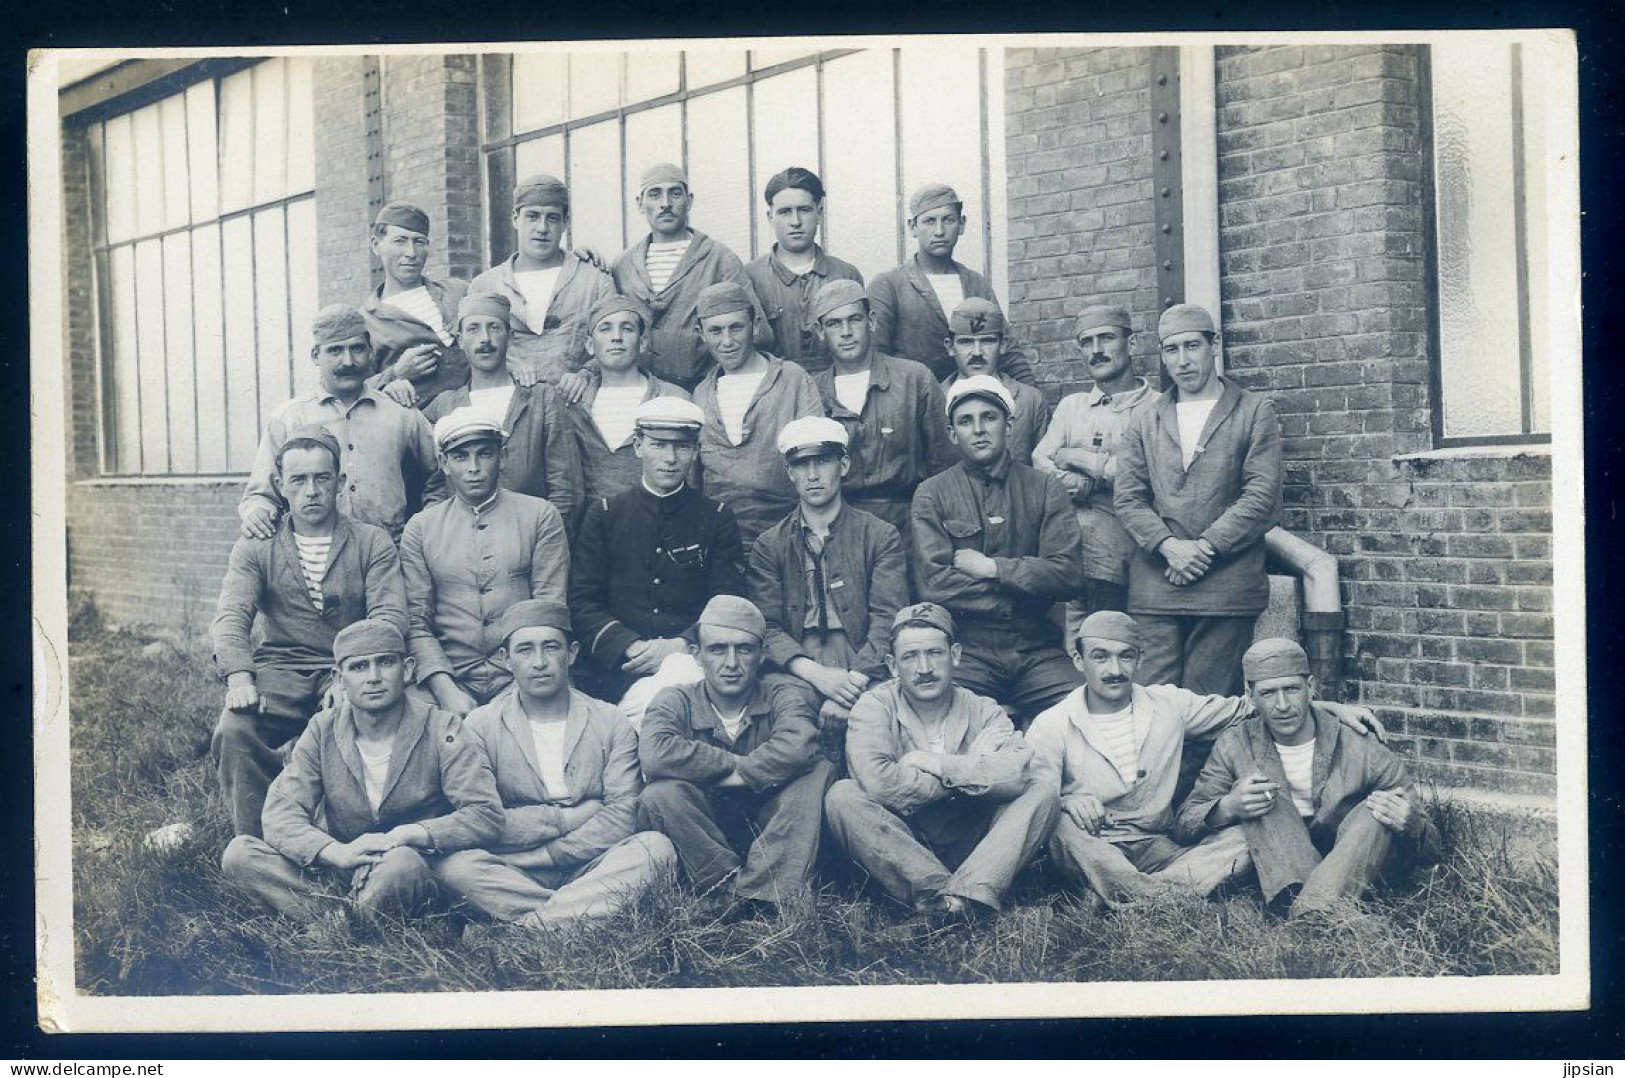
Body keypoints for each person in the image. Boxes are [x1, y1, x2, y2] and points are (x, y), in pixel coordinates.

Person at [1026, 612, 1383, 909]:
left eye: (1125, 656)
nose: (1114, 669)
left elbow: (1247, 708)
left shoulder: (1168, 705)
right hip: (1092, 841)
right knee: (1059, 826)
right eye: (1100, 656)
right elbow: (1033, 797)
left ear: (1140, 660)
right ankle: (1154, 895)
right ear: (1078, 661)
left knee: (1249, 834)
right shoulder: (1053, 723)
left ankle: (1129, 894)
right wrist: (1068, 800)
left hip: (1157, 845)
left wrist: (1327, 707)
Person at [219, 620, 503, 922]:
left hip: (411, 868)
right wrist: (336, 852)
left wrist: (411, 835)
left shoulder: (442, 727)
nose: (374, 677)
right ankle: (348, 919)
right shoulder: (322, 729)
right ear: (339, 679)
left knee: (401, 864)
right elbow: (280, 813)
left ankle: (334, 924)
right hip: (343, 865)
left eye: (386, 663)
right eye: (359, 667)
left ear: (407, 670)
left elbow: (485, 813)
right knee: (240, 854)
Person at [211, 426, 409, 837]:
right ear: (281, 485)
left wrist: (348, 673)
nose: (311, 491)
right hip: (282, 669)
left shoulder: (371, 541)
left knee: (359, 721)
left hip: (351, 667)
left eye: (321, 479)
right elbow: (232, 615)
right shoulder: (256, 547)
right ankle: (259, 842)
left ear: (339, 483)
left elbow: (388, 616)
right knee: (235, 728)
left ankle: (349, 837)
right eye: (299, 481)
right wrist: (240, 677)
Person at [436, 601, 678, 932]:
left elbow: (622, 815)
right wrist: (571, 816)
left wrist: (549, 854)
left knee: (655, 849)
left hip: (590, 862)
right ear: (507, 659)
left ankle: (522, 929)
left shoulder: (610, 720)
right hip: (513, 870)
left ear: (572, 653)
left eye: (551, 647)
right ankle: (584, 912)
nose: (539, 662)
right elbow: (485, 820)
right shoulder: (480, 725)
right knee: (456, 868)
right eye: (525, 650)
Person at [1173, 639, 1440, 919]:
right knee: (1261, 796)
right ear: (1250, 697)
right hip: (1282, 866)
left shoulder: (1360, 745)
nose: (1282, 705)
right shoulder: (1234, 744)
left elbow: (1432, 847)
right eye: (1268, 693)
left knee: (1377, 809)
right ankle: (1315, 914)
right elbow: (1184, 823)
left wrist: (1410, 823)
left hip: (1352, 860)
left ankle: (1311, 911)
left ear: (1311, 688)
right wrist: (1229, 806)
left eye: (1291, 689)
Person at [825, 603, 1058, 920]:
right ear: (893, 665)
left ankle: (961, 897)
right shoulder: (873, 706)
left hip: (979, 843)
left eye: (934, 653)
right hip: (907, 843)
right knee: (843, 796)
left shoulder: (983, 708)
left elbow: (1015, 774)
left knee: (1040, 790)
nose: (924, 668)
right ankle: (944, 894)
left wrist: (934, 763)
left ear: (956, 655)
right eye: (910, 656)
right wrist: (974, 767)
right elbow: (880, 784)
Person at [1114, 303, 1283, 696]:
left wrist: (1204, 548)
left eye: (1192, 346)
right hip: (1157, 585)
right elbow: (1129, 498)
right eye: (1172, 350)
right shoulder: (1145, 420)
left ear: (1214, 345)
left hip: (1226, 588)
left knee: (1210, 707)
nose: (1183, 360)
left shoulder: (1254, 412)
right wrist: (1169, 547)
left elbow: (1261, 496)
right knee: (1152, 705)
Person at [637, 596, 835, 911]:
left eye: (744, 649)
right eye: (717, 649)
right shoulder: (675, 699)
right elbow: (655, 754)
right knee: (660, 793)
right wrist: (740, 767)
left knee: (818, 771)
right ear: (696, 655)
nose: (731, 663)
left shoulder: (783, 694)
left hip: (775, 823)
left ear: (762, 654)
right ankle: (722, 890)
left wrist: (727, 776)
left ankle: (768, 893)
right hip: (704, 828)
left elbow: (800, 747)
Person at [911, 375, 1084, 725]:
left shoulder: (1045, 488)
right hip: (966, 651)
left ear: (1009, 423)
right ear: (951, 433)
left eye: (989, 417)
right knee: (941, 721)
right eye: (965, 421)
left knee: (1085, 713)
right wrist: (1022, 591)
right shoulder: (932, 493)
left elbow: (1068, 574)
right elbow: (933, 583)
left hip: (1037, 649)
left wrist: (993, 569)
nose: (978, 429)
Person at [747, 416, 908, 761]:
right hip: (796, 666)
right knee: (792, 739)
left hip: (865, 663)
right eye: (801, 465)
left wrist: (852, 683)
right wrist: (816, 674)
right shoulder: (769, 544)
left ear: (844, 465)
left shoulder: (879, 535)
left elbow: (888, 620)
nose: (813, 475)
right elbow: (768, 627)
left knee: (876, 737)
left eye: (822, 462)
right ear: (790, 473)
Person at [571, 396, 746, 705]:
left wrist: (680, 645)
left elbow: (726, 602)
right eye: (659, 445)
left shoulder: (716, 518)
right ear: (638, 446)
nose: (671, 458)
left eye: (682, 446)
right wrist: (630, 646)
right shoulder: (605, 515)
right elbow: (584, 602)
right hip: (620, 666)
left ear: (695, 451)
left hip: (692, 661)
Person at [400, 409, 570, 716]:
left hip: (523, 676)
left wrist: (518, 689)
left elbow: (548, 610)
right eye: (461, 457)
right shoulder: (421, 528)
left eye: (485, 454)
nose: (474, 468)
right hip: (448, 677)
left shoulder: (540, 516)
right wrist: (445, 689)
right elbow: (416, 621)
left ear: (502, 458)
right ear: (444, 464)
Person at [240, 304, 441, 542]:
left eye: (357, 349)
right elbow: (260, 495)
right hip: (316, 559)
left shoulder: (401, 413)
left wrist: (425, 527)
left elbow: (440, 477)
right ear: (316, 355)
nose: (348, 361)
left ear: (370, 351)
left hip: (389, 554)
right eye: (335, 351)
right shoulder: (290, 418)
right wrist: (257, 513)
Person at [1032, 303, 1159, 634]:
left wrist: (1078, 457)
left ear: (1131, 344)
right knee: (1075, 641)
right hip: (1069, 551)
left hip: (1131, 548)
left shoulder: (1157, 407)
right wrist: (1082, 484)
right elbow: (1040, 461)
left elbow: (1145, 472)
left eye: (1106, 338)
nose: (1097, 350)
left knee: (1111, 636)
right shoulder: (1072, 406)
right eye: (1087, 342)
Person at [421, 292, 583, 532]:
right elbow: (434, 487)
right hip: (462, 546)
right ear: (460, 339)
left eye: (494, 327)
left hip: (531, 538)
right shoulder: (443, 407)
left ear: (510, 336)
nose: (485, 339)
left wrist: (545, 543)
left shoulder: (542, 399)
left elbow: (565, 488)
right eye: (473, 329)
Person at [808, 278, 953, 536]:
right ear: (820, 331)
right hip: (839, 525)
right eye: (833, 323)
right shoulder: (812, 391)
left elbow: (944, 463)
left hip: (909, 523)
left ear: (872, 321)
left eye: (854, 320)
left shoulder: (914, 379)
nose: (846, 332)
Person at [691, 280, 825, 547]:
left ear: (754, 326)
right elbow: (693, 478)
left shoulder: (792, 379)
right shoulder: (700, 394)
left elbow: (817, 459)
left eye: (736, 327)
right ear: (701, 333)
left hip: (786, 533)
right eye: (715, 331)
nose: (727, 341)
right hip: (719, 538)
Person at [611, 163, 769, 390]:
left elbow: (758, 332)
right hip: (642, 391)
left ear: (689, 200)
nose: (665, 204)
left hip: (705, 388)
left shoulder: (719, 258)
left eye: (675, 193)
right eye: (655, 194)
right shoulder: (623, 264)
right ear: (640, 204)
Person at [867, 183, 1034, 385]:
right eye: (929, 221)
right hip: (916, 402)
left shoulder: (976, 284)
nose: (939, 231)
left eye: (948, 220)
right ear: (913, 227)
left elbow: (1007, 351)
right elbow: (875, 357)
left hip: (972, 404)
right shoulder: (889, 285)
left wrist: (1031, 396)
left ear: (961, 224)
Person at [468, 173, 619, 387]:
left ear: (565, 222)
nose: (542, 228)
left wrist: (586, 374)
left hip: (577, 403)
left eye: (552, 218)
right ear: (514, 218)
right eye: (532, 216)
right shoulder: (485, 286)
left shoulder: (594, 279)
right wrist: (508, 365)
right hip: (507, 403)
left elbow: (614, 340)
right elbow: (470, 349)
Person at [743, 167, 864, 374]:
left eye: (804, 210)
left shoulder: (845, 275)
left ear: (819, 213)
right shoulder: (750, 277)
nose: (795, 222)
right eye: (784, 212)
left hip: (836, 387)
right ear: (770, 217)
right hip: (774, 389)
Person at [360, 202, 471, 409]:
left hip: (479, 415)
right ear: (376, 245)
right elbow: (355, 390)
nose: (411, 252)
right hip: (421, 424)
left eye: (419, 242)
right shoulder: (366, 321)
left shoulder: (458, 291)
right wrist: (396, 373)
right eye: (400, 241)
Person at [941, 298, 1051, 465]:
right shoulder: (933, 400)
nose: (977, 352)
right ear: (950, 347)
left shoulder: (1031, 401)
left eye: (987, 341)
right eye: (966, 342)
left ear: (1003, 344)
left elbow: (1044, 467)